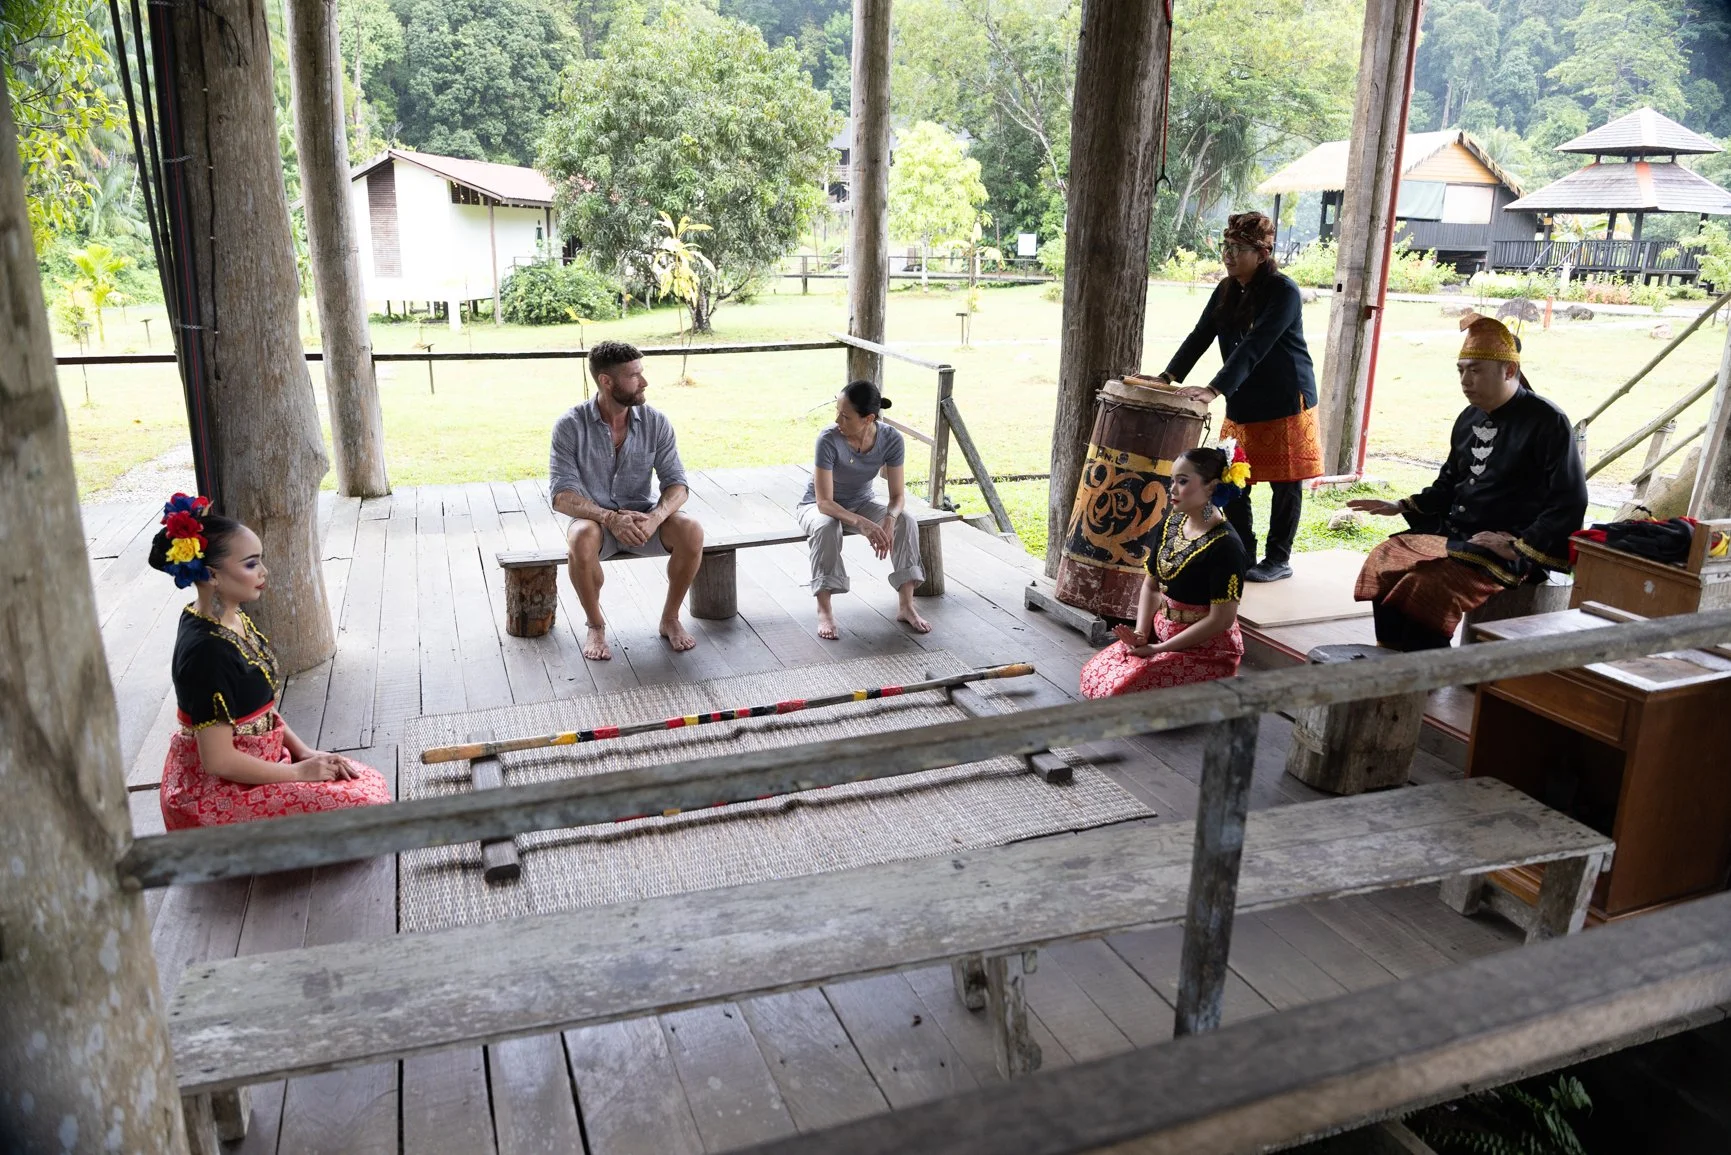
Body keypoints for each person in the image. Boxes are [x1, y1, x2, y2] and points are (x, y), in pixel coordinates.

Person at [1347, 314, 1589, 650]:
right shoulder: (1468, 417)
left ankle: (1424, 672)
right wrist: (1401, 506)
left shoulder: (1548, 421)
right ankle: (1392, 660)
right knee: (1385, 557)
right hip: (1458, 534)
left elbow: (1569, 500)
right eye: (1461, 370)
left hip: (1509, 546)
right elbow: (1449, 482)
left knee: (1427, 584)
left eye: (1475, 370)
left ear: (1509, 371)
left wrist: (1518, 545)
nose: (1465, 380)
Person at [151, 494, 392, 830]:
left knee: (368, 785)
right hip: (216, 794)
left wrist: (305, 752)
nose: (263, 572)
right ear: (212, 575)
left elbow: (260, 709)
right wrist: (296, 773)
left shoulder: (227, 618)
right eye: (251, 564)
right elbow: (218, 760)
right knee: (368, 810)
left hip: (261, 758)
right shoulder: (206, 653)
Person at [1151, 211, 1322, 583]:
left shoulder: (1283, 291)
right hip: (1243, 397)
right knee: (1235, 477)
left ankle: (1279, 558)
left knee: (1285, 482)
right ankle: (1244, 550)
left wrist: (1214, 388)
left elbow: (1255, 345)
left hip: (1284, 398)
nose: (1229, 255)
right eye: (1226, 247)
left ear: (1262, 254)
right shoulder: (1226, 288)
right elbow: (1201, 335)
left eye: (1239, 248)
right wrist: (1168, 377)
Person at [550, 340, 705, 660]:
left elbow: (678, 485)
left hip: (644, 520)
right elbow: (562, 496)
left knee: (691, 528)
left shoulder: (656, 421)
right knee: (579, 537)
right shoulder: (570, 425)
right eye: (634, 375)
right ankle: (595, 625)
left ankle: (670, 618)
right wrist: (609, 518)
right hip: (596, 521)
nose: (644, 382)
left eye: (642, 372)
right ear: (606, 382)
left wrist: (656, 517)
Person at [1079, 445, 1252, 697]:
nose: (1172, 489)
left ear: (1212, 487)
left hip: (1204, 651)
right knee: (1094, 676)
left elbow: (1221, 620)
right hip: (1159, 637)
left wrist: (1160, 650)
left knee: (1119, 691)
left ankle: (1219, 684)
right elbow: (1151, 585)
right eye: (1173, 480)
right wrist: (1141, 633)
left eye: (1182, 481)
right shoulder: (1173, 522)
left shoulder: (1226, 546)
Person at [796, 380, 931, 640]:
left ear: (868, 418)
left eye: (845, 416)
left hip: (861, 501)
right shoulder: (828, 439)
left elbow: (897, 496)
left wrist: (890, 519)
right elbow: (824, 502)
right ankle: (824, 610)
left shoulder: (891, 439)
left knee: (907, 521)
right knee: (826, 526)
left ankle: (906, 606)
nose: (837, 420)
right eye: (837, 412)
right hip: (817, 505)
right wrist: (861, 523)